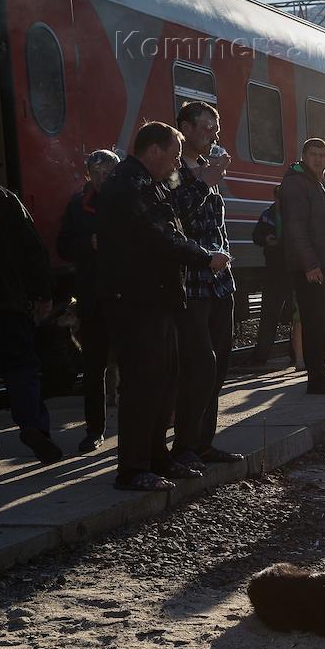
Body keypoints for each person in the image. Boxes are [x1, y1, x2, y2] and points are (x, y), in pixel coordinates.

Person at [96, 122, 231, 491]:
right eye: (173, 156)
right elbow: (159, 237)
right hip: (136, 300)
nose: (176, 165)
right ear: (153, 150)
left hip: (158, 298)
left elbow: (174, 225)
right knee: (142, 384)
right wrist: (205, 258)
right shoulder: (128, 186)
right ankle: (132, 469)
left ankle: (157, 458)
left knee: (163, 381)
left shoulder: (151, 184)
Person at [171, 101, 243, 470]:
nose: (213, 135)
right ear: (185, 128)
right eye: (205, 127)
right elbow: (176, 214)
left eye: (215, 128)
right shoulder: (173, 171)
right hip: (192, 282)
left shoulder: (205, 168)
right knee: (198, 365)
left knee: (218, 366)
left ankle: (203, 443)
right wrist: (205, 181)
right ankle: (183, 445)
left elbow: (216, 224)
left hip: (219, 282)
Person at [0, 183, 63, 468]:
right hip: (9, 304)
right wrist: (43, 293)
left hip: (8, 300)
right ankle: (33, 425)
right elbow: (33, 248)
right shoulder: (4, 198)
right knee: (22, 368)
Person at [57, 149, 120, 453]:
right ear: (88, 175)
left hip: (127, 298)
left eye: (107, 173)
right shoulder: (77, 205)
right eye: (96, 173)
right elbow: (63, 246)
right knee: (94, 370)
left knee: (135, 366)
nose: (102, 178)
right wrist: (87, 243)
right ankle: (94, 431)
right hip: (93, 298)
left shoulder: (132, 200)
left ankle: (142, 425)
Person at [281, 138, 325, 395]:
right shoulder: (296, 183)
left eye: (323, 155)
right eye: (313, 154)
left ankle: (320, 373)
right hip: (312, 267)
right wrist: (310, 264)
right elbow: (296, 227)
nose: (319, 159)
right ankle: (316, 379)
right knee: (314, 321)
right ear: (304, 156)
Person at [246, 186, 302, 368]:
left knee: (295, 316)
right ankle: (261, 356)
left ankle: (296, 353)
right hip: (275, 271)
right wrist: (266, 239)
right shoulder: (268, 215)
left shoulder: (293, 215)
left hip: (291, 271)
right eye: (279, 198)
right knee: (270, 314)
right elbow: (256, 236)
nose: (281, 202)